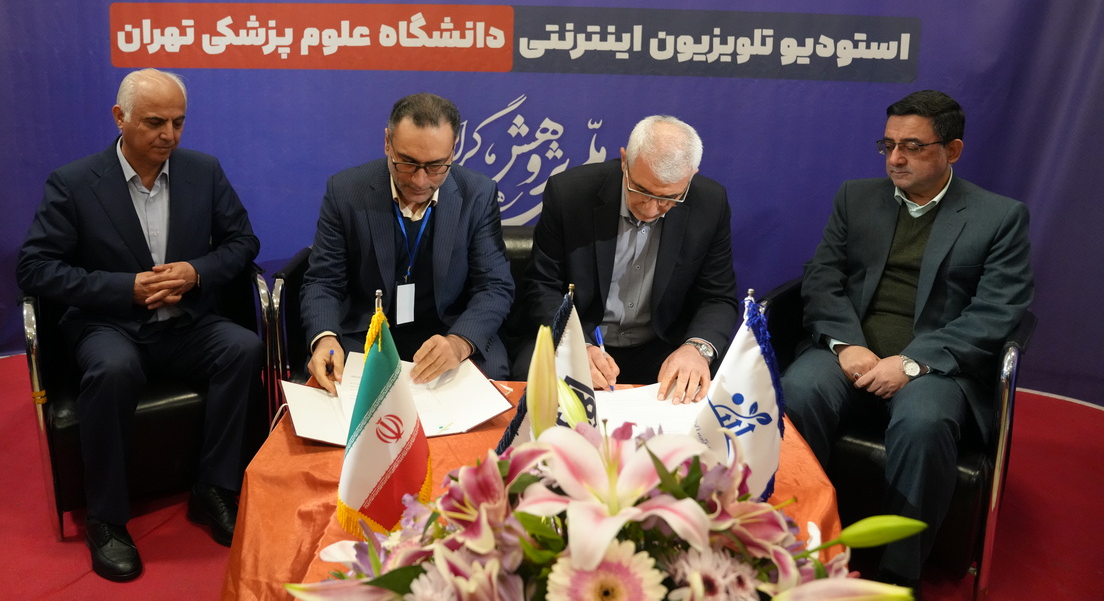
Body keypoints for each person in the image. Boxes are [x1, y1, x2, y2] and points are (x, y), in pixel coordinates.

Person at [16, 69, 263, 582]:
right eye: (154, 122)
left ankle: (214, 487)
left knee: (242, 348)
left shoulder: (204, 171)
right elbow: (35, 269)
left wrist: (197, 272)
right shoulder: (75, 183)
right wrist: (122, 288)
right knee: (114, 369)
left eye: (178, 122)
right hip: (109, 325)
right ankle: (106, 518)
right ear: (120, 118)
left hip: (186, 324)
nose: (169, 135)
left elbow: (243, 243)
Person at [781, 90, 1033, 591]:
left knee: (923, 422)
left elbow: (997, 311)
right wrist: (845, 345)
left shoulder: (999, 217)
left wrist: (912, 362)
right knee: (798, 390)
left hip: (939, 366)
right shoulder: (855, 198)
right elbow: (822, 278)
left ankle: (899, 576)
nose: (895, 158)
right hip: (852, 350)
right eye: (889, 144)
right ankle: (796, 545)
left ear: (952, 150)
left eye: (913, 147)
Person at [302, 92, 513, 391]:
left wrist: (459, 342)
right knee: (333, 385)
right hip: (367, 334)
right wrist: (325, 338)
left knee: (490, 382)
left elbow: (494, 286)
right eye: (407, 163)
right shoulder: (346, 191)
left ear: (453, 150)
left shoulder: (477, 194)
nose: (419, 180)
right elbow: (324, 281)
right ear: (387, 142)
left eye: (436, 166)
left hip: (448, 331)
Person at [521, 115, 739, 403]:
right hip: (582, 335)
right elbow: (542, 285)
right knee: (529, 377)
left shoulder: (710, 203)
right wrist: (575, 344)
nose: (651, 209)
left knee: (711, 385)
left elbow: (717, 297)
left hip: (662, 345)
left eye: (669, 198)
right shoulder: (570, 194)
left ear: (691, 176)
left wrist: (697, 348)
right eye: (642, 191)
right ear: (625, 161)